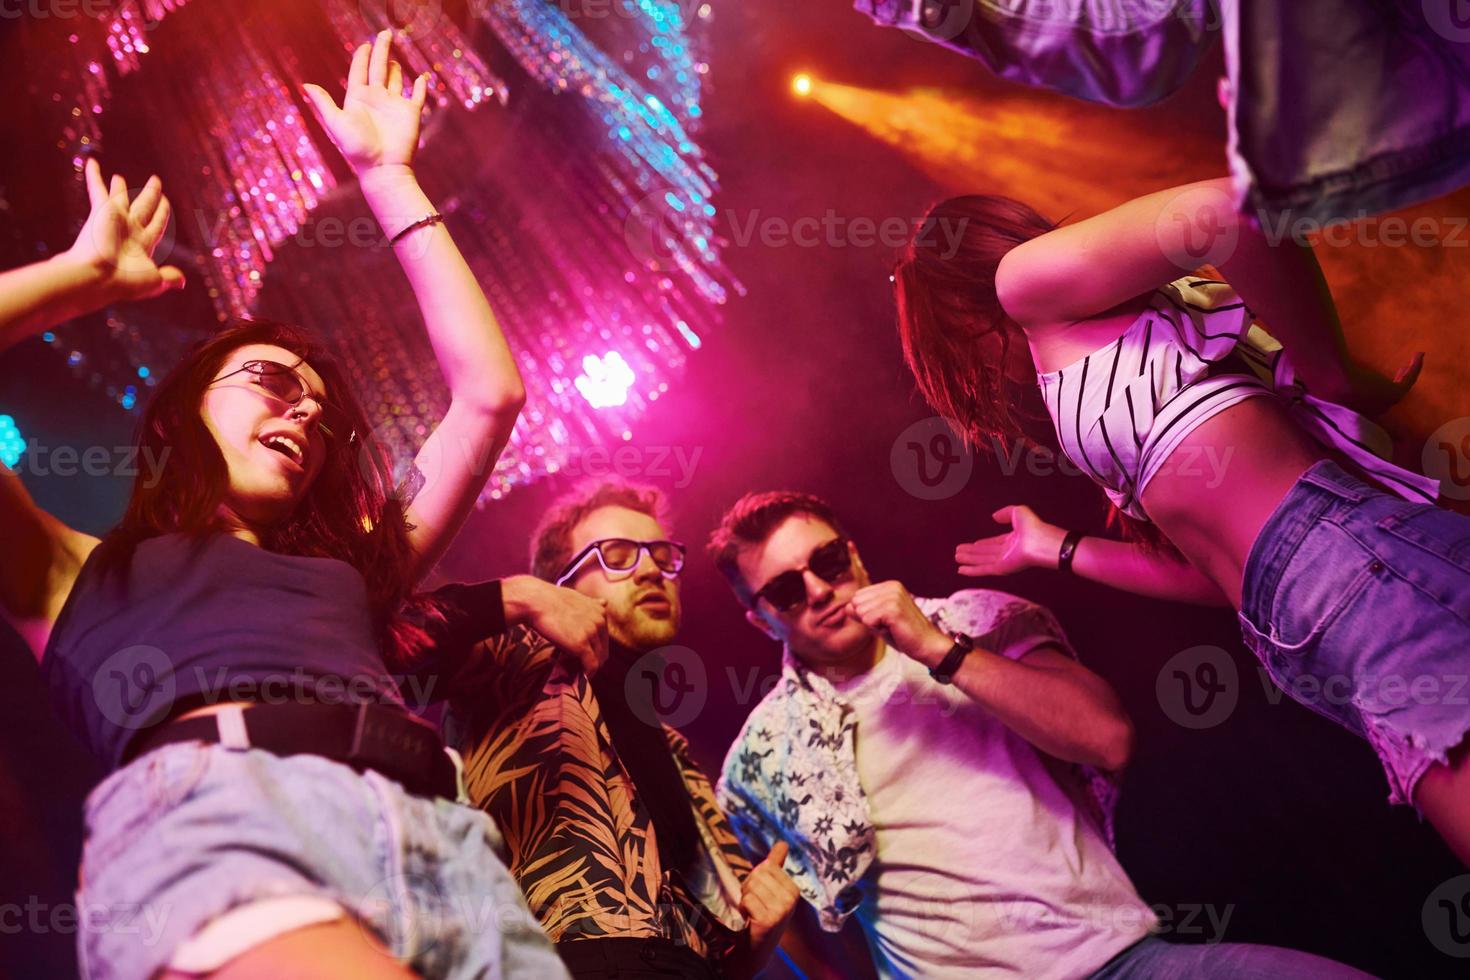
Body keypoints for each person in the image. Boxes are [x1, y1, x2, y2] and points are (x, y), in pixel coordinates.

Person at [1, 31, 572, 978]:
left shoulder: (351, 568)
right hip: (222, 813)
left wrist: (389, 175)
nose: (304, 411)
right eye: (270, 380)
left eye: (321, 410)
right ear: (187, 408)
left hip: (447, 846)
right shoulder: (72, 570)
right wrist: (82, 280)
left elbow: (488, 396)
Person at [891, 177, 1470, 864]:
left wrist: (1331, 377)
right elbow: (1215, 581)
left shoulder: (1022, 282)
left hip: (1341, 567)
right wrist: (1058, 548)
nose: (976, 376)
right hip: (1296, 619)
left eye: (950, 351)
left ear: (959, 312)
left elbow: (1235, 210)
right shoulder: (1090, 363)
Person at [708, 490, 1378, 979]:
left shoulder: (976, 620)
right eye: (788, 591)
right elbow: (797, 928)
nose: (821, 590)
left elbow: (1105, 737)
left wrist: (940, 650)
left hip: (1120, 962)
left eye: (826, 560)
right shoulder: (760, 758)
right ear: (759, 618)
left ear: (851, 553)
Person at [444, 480, 802, 979]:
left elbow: (715, 960)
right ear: (562, 583)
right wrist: (519, 596)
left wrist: (756, 944)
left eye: (660, 555)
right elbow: (385, 629)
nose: (652, 570)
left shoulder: (676, 751)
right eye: (617, 555)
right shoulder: (512, 661)